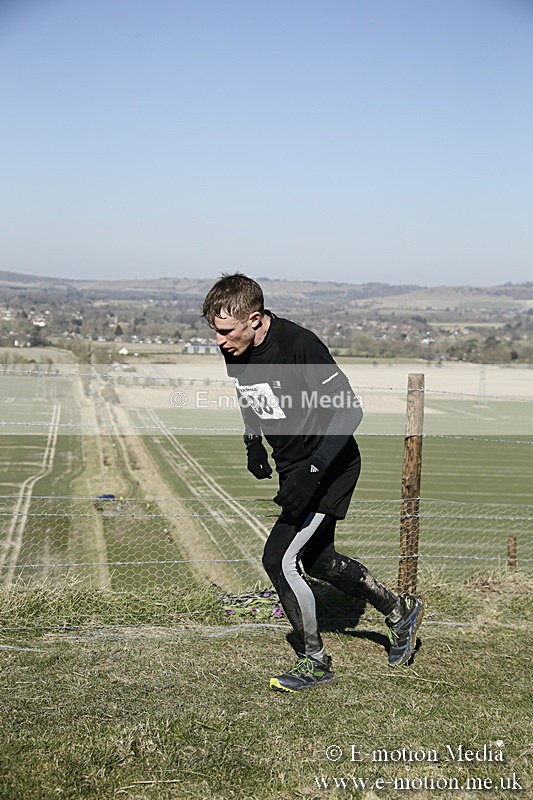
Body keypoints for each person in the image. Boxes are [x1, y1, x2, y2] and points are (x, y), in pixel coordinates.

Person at [202, 273, 424, 693]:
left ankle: (315, 660)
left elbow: (349, 412)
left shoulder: (300, 346)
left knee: (279, 559)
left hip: (330, 466)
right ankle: (399, 611)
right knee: (319, 562)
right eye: (215, 331)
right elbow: (247, 393)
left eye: (226, 331)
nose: (219, 341)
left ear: (255, 318)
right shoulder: (237, 347)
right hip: (296, 468)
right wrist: (253, 443)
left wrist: (313, 472)